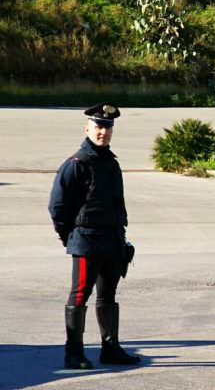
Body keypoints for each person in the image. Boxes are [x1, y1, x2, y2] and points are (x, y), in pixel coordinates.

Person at [48, 103, 140, 370]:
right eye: (99, 126)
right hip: (86, 240)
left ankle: (110, 347)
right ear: (87, 128)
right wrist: (69, 236)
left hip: (111, 238)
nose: (103, 132)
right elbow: (58, 206)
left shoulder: (110, 162)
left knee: (108, 296)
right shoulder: (77, 163)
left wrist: (121, 240)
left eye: (108, 128)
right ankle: (73, 353)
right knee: (80, 295)